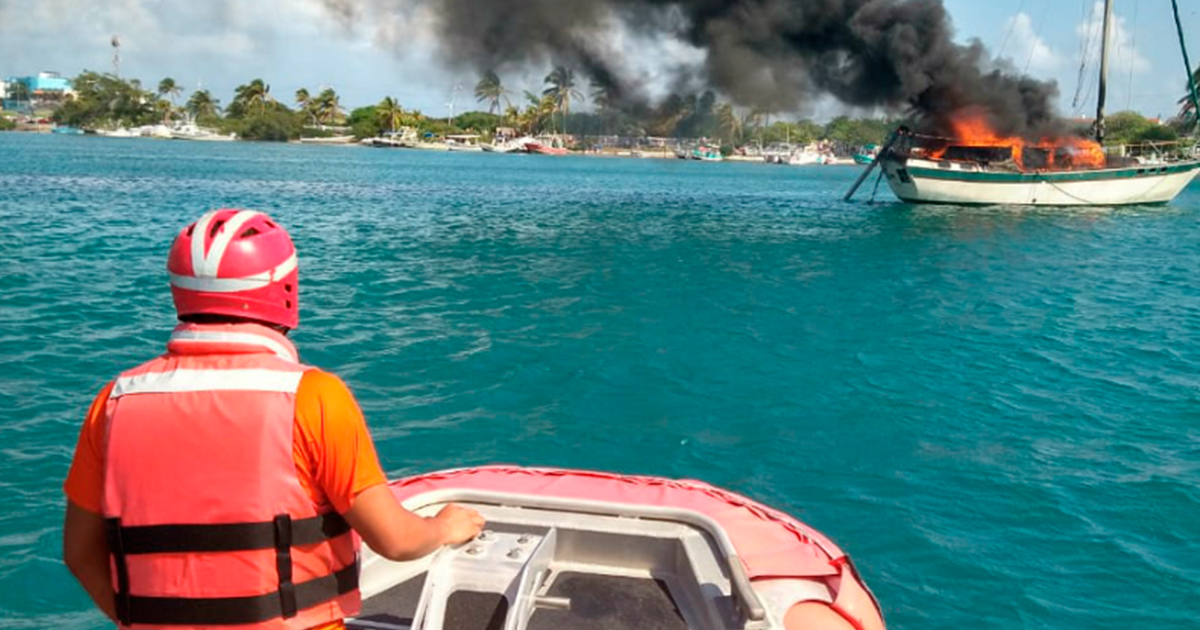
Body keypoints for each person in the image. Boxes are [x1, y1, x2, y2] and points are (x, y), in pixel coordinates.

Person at [62, 208, 484, 629]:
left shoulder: (114, 401)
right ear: (284, 288)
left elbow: (80, 555)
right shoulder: (314, 397)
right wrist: (443, 527)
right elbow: (397, 540)